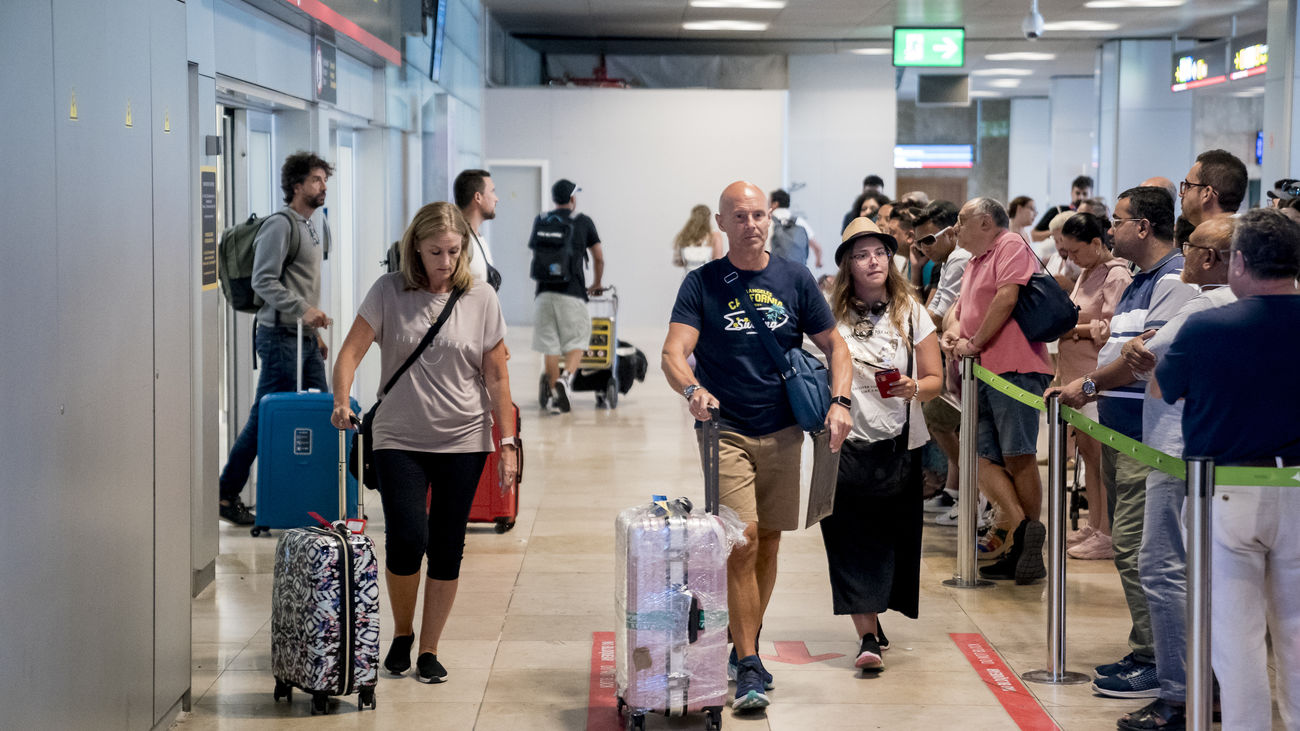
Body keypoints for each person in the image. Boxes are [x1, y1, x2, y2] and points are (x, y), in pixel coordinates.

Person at [662, 180, 852, 711]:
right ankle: (748, 661)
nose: (751, 224)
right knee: (740, 541)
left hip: (786, 429)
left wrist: (841, 401)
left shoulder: (794, 278)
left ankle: (743, 639)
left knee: (768, 541)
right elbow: (673, 352)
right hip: (727, 431)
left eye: (758, 215)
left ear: (770, 219)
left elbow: (835, 345)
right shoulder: (703, 284)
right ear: (721, 224)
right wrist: (693, 388)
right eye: (739, 216)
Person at [329, 201, 516, 685]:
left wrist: (508, 441)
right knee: (407, 537)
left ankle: (430, 648)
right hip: (398, 436)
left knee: (448, 545)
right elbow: (349, 352)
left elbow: (497, 375)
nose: (446, 261)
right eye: (436, 251)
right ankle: (402, 634)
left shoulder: (480, 297)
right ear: (416, 247)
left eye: (455, 251)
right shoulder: (389, 291)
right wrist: (341, 399)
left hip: (464, 438)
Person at [1047, 186, 1198, 697]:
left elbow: (1143, 358)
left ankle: (1161, 660)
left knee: (1137, 550)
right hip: (1119, 428)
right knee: (1133, 550)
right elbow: (1120, 345)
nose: (1109, 230)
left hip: (1146, 438)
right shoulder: (1138, 281)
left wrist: (1087, 385)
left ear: (1144, 227)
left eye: (1117, 220)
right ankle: (1146, 647)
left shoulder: (1174, 280)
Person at [1156, 207, 1300, 730]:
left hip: (1226, 491)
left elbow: (1162, 388)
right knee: (1296, 631)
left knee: (1234, 639)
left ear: (1238, 261)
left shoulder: (1205, 326)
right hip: (1298, 492)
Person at [1108, 216, 1236, 731]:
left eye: (1194, 246)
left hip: (1177, 450)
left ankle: (1182, 695)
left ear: (1212, 258)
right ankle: (1210, 693)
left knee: (1162, 567)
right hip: (1215, 457)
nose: (1186, 252)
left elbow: (1150, 357)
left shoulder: (1206, 305)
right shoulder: (1246, 304)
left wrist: (1093, 383)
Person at [819, 217, 942, 671]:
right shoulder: (829, 317)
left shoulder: (911, 311)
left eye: (879, 253)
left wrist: (915, 388)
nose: (872, 261)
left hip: (899, 447)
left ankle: (876, 613)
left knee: (893, 540)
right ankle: (866, 634)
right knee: (849, 540)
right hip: (845, 444)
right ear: (847, 264)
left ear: (890, 259)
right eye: (860, 254)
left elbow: (935, 379)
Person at [217, 151, 334, 525]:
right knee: (265, 417)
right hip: (279, 337)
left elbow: (304, 285)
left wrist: (313, 331)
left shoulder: (316, 226)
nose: (323, 186)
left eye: (324, 180)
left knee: (330, 410)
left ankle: (318, 490)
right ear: (296, 186)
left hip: (302, 336)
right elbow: (262, 280)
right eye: (316, 180)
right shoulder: (280, 226)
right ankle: (225, 492)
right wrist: (304, 312)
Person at [940, 197, 1053, 583]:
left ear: (985, 222)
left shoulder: (1009, 245)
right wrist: (954, 331)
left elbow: (1007, 297)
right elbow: (959, 306)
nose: (955, 227)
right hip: (981, 371)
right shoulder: (975, 260)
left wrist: (974, 342)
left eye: (960, 220)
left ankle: (1024, 545)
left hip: (1013, 368)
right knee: (979, 455)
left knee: (1017, 454)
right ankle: (1024, 532)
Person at [1052, 212, 1132, 560]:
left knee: (1100, 459)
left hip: (1094, 377)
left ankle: (1108, 530)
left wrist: (1076, 331)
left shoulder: (1117, 275)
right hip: (1073, 373)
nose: (1071, 259)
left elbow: (1115, 329)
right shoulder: (1086, 271)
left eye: (1076, 251)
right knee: (1087, 453)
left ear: (1097, 244)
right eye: (1066, 252)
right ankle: (1095, 523)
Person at [914, 201, 967, 522]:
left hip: (968, 359)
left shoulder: (960, 257)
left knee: (940, 418)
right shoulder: (948, 260)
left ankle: (974, 492)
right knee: (944, 421)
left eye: (928, 239)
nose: (922, 247)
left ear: (953, 231)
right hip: (954, 354)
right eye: (918, 241)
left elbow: (940, 311)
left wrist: (902, 326)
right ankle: (959, 490)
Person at [531, 178, 605, 414]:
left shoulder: (541, 220)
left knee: (550, 346)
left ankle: (554, 398)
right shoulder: (583, 222)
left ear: (555, 199)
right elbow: (599, 257)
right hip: (572, 292)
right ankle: (566, 379)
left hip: (543, 293)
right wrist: (596, 283)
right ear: (572, 198)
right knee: (578, 341)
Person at [453, 169, 501, 288]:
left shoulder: (478, 238)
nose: (496, 199)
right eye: (492, 191)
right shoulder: (458, 241)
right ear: (478, 197)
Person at [1179, 149, 1248, 227]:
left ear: (1206, 194)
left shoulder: (1210, 238)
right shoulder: (1246, 234)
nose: (1181, 194)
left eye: (1188, 186)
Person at [769, 189, 824, 269]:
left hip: (774, 271)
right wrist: (818, 262)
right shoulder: (800, 222)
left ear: (775, 204)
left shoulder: (768, 222)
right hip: (798, 272)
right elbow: (817, 248)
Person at [1031, 174, 1093, 242]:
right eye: (1077, 193)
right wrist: (1056, 232)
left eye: (1085, 194)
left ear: (1091, 194)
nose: (1080, 197)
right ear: (1071, 193)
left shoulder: (1094, 216)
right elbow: (1034, 236)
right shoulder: (1056, 210)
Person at [673, 204, 724, 274]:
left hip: (689, 279)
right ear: (708, 217)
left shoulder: (684, 235)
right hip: (706, 280)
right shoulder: (714, 236)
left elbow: (678, 261)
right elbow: (718, 262)